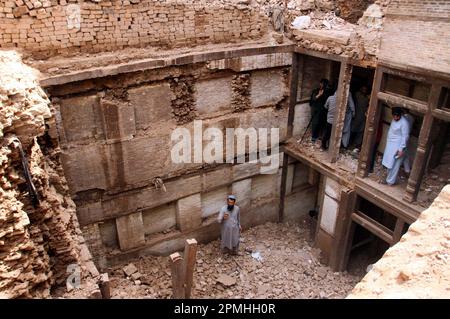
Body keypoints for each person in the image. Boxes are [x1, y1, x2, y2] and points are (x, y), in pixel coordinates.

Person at [381, 107, 411, 185]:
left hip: (398, 146)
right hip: (391, 145)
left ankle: (390, 181)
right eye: (394, 115)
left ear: (400, 115)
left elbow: (405, 136)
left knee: (395, 165)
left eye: (397, 116)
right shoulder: (394, 120)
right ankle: (388, 178)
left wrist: (401, 149)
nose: (395, 117)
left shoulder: (404, 123)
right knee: (390, 163)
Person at [402, 109, 415, 175]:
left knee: (400, 153)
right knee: (406, 154)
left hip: (402, 138)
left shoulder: (403, 118)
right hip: (408, 137)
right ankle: (407, 170)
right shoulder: (412, 118)